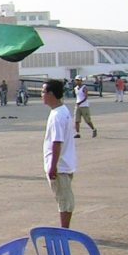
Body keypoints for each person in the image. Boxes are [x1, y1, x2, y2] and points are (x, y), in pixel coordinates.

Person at [42, 79, 77, 228]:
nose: (42, 95)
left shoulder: (57, 115)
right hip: (65, 163)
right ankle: (65, 229)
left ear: (50, 94)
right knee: (64, 199)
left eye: (43, 92)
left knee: (65, 201)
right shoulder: (62, 111)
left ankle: (64, 231)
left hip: (60, 165)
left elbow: (57, 141)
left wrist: (53, 166)